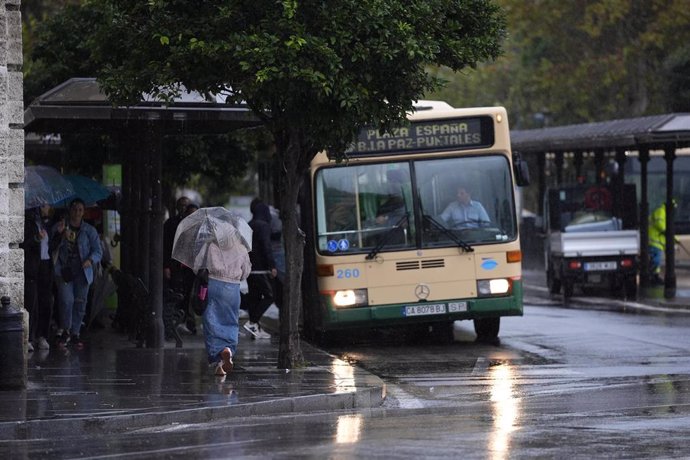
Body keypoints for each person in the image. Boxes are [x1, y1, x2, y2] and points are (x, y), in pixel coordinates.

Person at [52, 198, 103, 349]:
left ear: (84, 212)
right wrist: (61, 235)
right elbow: (50, 245)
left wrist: (90, 260)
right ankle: (66, 329)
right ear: (70, 210)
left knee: (80, 302)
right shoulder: (61, 227)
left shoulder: (89, 230)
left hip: (82, 271)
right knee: (66, 300)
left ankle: (75, 332)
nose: (77, 212)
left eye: (80, 210)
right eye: (74, 209)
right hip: (64, 270)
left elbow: (98, 251)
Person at [202, 231, 252, 376]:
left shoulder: (211, 246)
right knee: (230, 320)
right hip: (233, 288)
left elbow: (198, 265)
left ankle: (218, 359)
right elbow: (246, 272)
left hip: (213, 284)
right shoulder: (241, 248)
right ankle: (228, 349)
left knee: (211, 320)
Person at [21, 204, 56, 352]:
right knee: (31, 301)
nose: (46, 208)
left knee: (46, 301)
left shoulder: (47, 224)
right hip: (33, 266)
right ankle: (28, 337)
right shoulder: (29, 223)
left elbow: (50, 247)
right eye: (43, 205)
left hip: (46, 265)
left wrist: (59, 235)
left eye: (47, 205)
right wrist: (36, 238)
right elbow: (24, 244)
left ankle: (42, 335)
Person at [242, 199, 277, 339]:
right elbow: (266, 247)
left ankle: (255, 328)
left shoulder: (249, 225)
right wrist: (272, 266)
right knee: (269, 296)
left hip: (251, 268)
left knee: (254, 298)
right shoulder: (263, 226)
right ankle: (253, 322)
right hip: (261, 269)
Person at [163, 196, 190, 287]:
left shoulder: (195, 224)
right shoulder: (170, 223)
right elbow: (165, 245)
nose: (183, 208)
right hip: (174, 264)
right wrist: (166, 266)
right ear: (177, 207)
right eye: (181, 206)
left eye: (186, 206)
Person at [649, 201, 678, 285]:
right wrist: (671, 235)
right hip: (654, 242)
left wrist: (675, 238)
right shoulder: (661, 211)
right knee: (656, 260)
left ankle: (655, 277)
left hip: (658, 243)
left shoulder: (664, 213)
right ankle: (651, 275)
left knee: (657, 261)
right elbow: (661, 226)